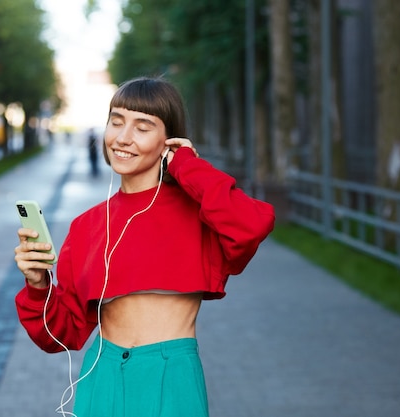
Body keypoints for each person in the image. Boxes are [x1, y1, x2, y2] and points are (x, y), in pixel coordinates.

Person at [14, 76, 275, 417]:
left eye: (143, 126)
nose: (123, 138)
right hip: (101, 376)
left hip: (171, 377)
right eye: (116, 122)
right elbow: (61, 335)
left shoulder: (200, 213)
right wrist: (38, 284)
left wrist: (187, 167)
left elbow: (252, 224)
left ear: (169, 141)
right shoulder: (87, 226)